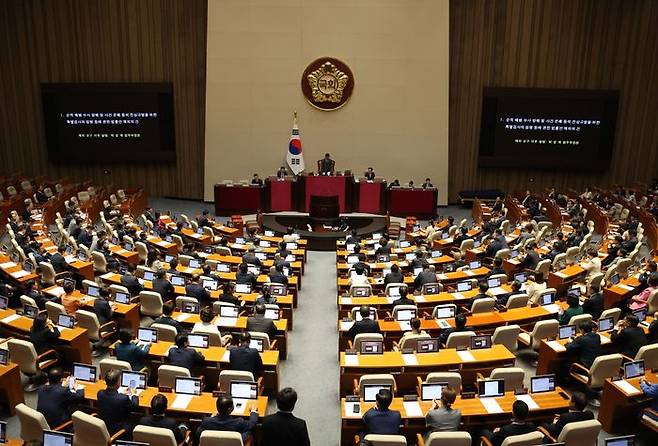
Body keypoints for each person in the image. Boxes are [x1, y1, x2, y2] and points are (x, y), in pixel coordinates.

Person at [97, 369, 139, 435]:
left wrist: (121, 394)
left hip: (104, 425)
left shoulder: (100, 393)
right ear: (117, 383)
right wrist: (134, 394)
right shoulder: (123, 398)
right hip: (118, 429)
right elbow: (135, 405)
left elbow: (112, 398)